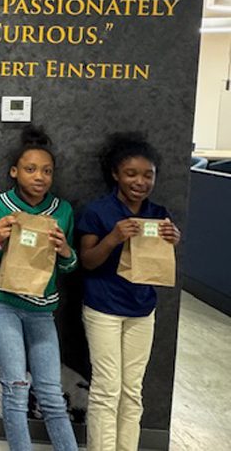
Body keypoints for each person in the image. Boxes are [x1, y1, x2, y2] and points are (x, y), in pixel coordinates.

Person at [0, 126, 78, 451]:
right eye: (30, 169)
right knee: (15, 387)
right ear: (14, 172)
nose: (39, 177)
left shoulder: (62, 211)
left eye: (47, 171)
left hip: (42, 309)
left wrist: (65, 251)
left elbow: (69, 267)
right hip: (1, 303)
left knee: (51, 394)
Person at [78, 133, 180, 451]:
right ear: (115, 174)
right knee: (107, 388)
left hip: (142, 309)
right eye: (131, 174)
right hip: (103, 308)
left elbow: (157, 264)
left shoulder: (158, 213)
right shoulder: (97, 211)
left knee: (132, 390)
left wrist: (172, 240)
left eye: (148, 175)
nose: (140, 182)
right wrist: (113, 238)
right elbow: (87, 261)